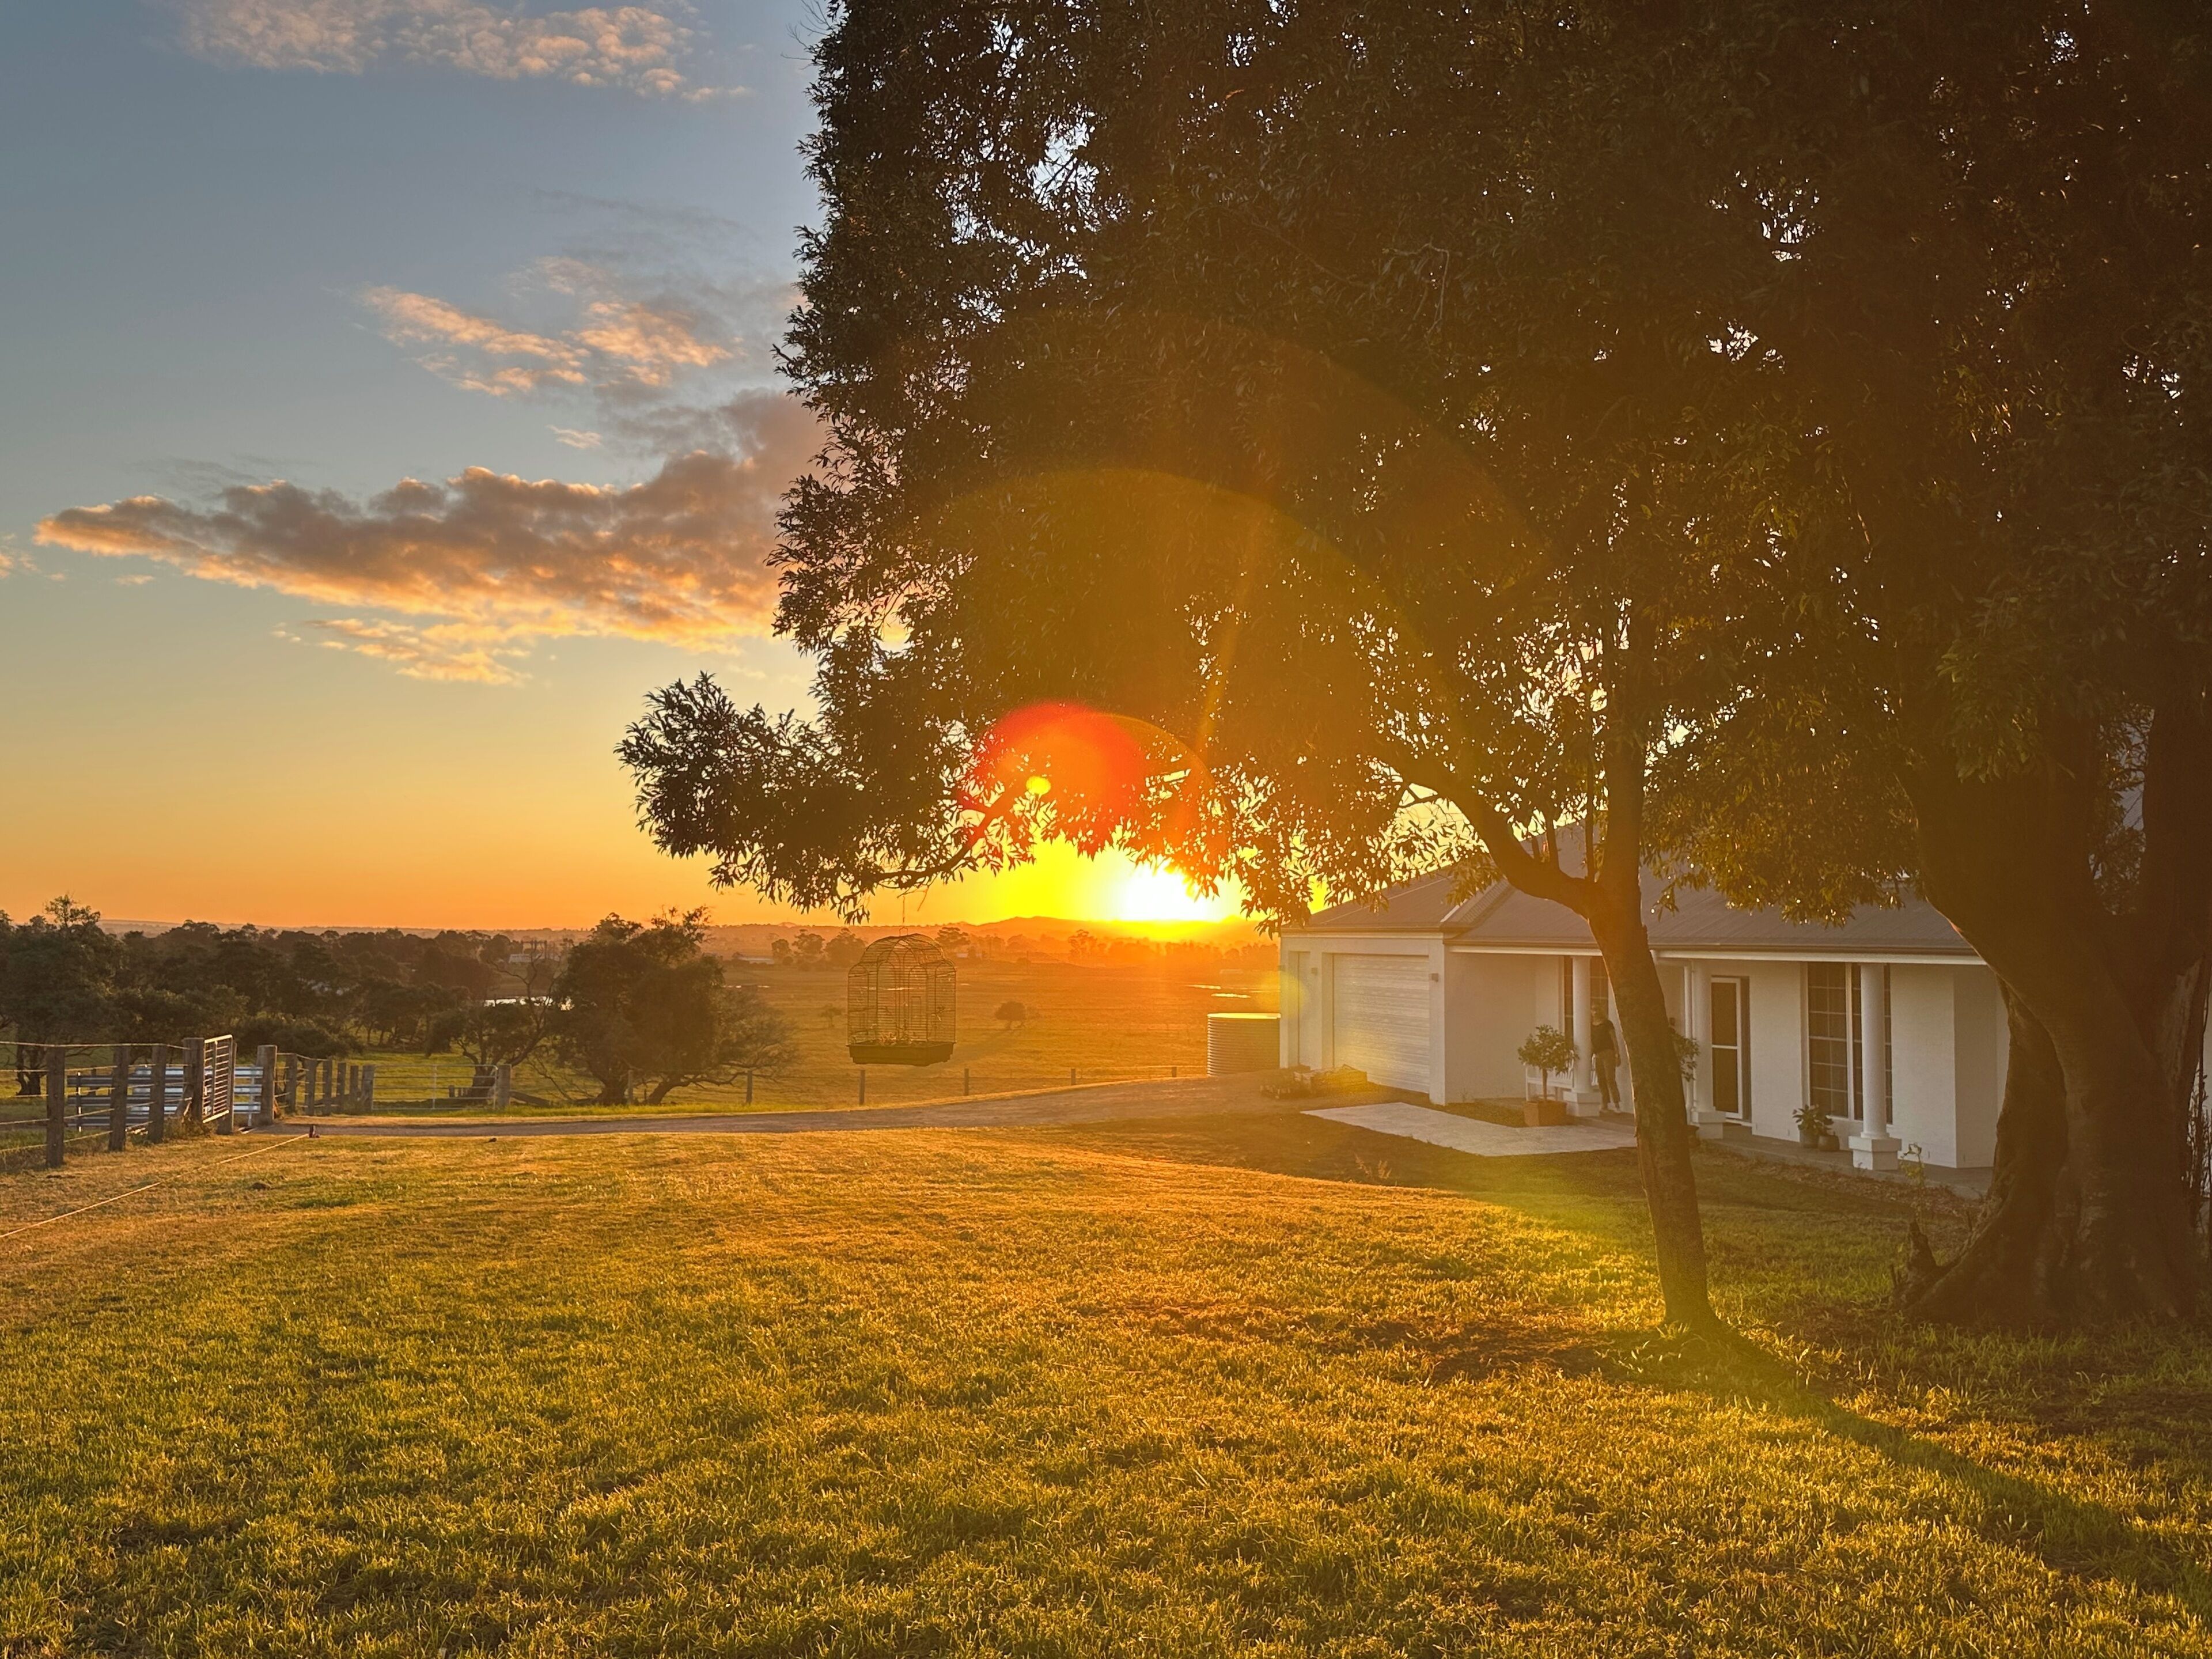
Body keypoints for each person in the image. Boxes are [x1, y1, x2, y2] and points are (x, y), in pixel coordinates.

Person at [1590, 1013, 1622, 1110]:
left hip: (1609, 1052)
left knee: (1610, 1078)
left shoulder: (1607, 1024)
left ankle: (1617, 1104)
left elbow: (1614, 1039)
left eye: (1597, 1009)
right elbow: (1592, 1041)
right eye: (1593, 1009)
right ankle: (1605, 1103)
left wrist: (1617, 1054)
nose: (1595, 1012)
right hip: (1598, 1054)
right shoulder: (1591, 1025)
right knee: (1601, 1079)